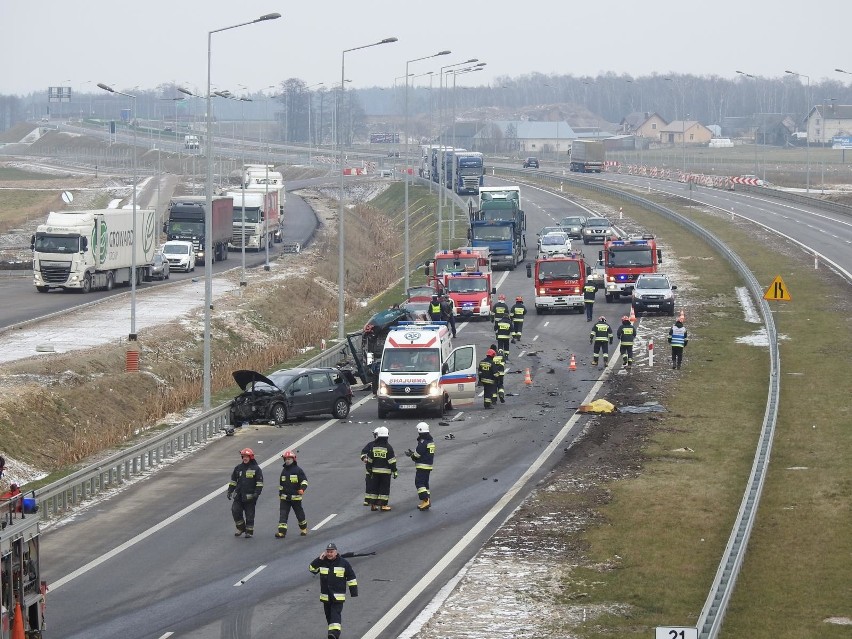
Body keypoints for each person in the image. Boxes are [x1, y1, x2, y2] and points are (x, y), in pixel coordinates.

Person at [308, 542, 358, 639]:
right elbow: (312, 569)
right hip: (326, 596)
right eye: (328, 552)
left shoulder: (343, 563)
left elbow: (351, 576)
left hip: (337, 596)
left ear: (336, 552)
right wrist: (319, 559)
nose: (329, 554)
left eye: (331, 552)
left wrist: (353, 592)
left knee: (335, 614)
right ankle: (332, 633)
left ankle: (334, 634)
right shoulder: (322, 562)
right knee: (329, 616)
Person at [227, 448, 264, 538]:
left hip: (250, 496)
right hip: (239, 495)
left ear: (251, 457)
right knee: (235, 510)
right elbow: (233, 481)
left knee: (250, 514)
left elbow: (259, 483)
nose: (245, 458)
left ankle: (249, 531)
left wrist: (256, 493)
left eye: (246, 456)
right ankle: (241, 528)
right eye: (243, 456)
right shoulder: (238, 468)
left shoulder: (256, 469)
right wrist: (230, 491)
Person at [363, 426, 397, 511]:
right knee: (384, 488)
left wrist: (369, 469)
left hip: (374, 472)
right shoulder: (388, 447)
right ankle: (383, 505)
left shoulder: (374, 447)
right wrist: (395, 471)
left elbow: (370, 460)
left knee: (374, 488)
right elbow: (391, 461)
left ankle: (373, 505)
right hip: (385, 473)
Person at [276, 450, 308, 539]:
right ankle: (281, 532)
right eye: (286, 459)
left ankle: (303, 528)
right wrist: (280, 494)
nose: (287, 461)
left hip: (296, 498)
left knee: (299, 514)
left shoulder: (298, 470)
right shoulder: (284, 471)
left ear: (293, 459)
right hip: (285, 498)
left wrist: (302, 489)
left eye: (289, 459)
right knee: (283, 514)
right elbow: (281, 485)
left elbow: (304, 481)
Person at [405, 422, 435, 510]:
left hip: (422, 465)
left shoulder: (423, 441)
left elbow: (418, 454)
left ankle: (425, 500)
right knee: (425, 484)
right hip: (428, 466)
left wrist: (412, 455)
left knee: (419, 483)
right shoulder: (430, 441)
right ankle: (427, 501)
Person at [360, 430, 378, 506]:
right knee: (369, 484)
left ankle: (375, 500)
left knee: (377, 485)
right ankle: (367, 500)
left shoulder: (385, 446)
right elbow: (363, 452)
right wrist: (364, 458)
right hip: (370, 469)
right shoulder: (370, 445)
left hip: (378, 470)